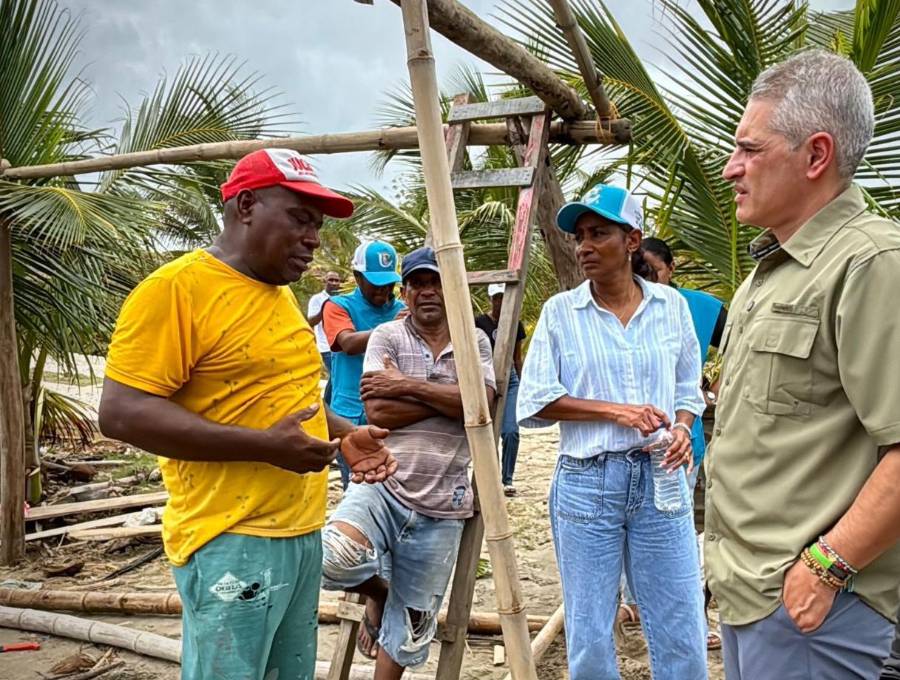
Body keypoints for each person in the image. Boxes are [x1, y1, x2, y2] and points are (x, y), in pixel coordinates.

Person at [97, 148, 397, 680]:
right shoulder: (177, 290)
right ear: (246, 206)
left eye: (317, 225)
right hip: (231, 538)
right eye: (300, 219)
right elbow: (121, 413)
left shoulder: (277, 296)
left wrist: (344, 433)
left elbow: (285, 398)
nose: (313, 238)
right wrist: (264, 447)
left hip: (301, 532)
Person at [707, 49, 900, 679]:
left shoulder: (871, 265)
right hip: (757, 595)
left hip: (817, 609)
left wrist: (825, 569)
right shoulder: (771, 272)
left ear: (816, 155)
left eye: (749, 149)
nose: (731, 168)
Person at [517, 182, 707, 680]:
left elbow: (688, 389)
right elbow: (534, 400)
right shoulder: (561, 313)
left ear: (631, 240)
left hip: (661, 479)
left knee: (682, 622)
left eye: (598, 233)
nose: (584, 246)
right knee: (590, 631)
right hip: (587, 481)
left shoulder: (670, 308)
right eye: (579, 235)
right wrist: (616, 412)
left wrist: (682, 427)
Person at [321, 246, 496, 679]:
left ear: (454, 290)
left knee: (410, 631)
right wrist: (452, 398)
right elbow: (379, 412)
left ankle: (392, 611)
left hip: (443, 501)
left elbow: (483, 405)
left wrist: (405, 384)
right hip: (384, 483)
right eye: (418, 283)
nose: (428, 291)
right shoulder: (388, 336)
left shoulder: (474, 340)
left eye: (437, 282)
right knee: (332, 556)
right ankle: (380, 593)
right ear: (406, 292)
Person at [618, 236, 727, 649]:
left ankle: (688, 618)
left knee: (676, 532)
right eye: (639, 271)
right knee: (627, 528)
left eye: (653, 271)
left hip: (680, 440)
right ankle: (635, 605)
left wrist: (714, 388)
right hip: (623, 442)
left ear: (671, 268)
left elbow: (741, 346)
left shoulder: (697, 307)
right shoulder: (617, 303)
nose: (647, 280)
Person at [323, 241, 405, 489]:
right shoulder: (338, 306)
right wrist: (393, 328)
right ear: (358, 277)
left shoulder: (402, 309)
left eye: (388, 283)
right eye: (375, 283)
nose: (383, 290)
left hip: (390, 414)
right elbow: (348, 343)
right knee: (358, 488)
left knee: (394, 487)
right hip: (349, 417)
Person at [475, 282, 527, 496]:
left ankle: (507, 479)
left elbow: (517, 357)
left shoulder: (515, 323)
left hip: (510, 378)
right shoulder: (479, 323)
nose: (500, 301)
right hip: (486, 378)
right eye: (496, 297)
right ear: (491, 299)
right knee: (487, 432)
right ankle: (490, 479)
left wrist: (522, 385)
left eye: (503, 297)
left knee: (511, 431)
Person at [307, 270, 343, 404]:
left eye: (336, 280)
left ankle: (328, 405)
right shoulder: (317, 299)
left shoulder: (343, 299)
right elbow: (311, 321)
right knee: (336, 375)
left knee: (337, 376)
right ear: (324, 282)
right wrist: (326, 307)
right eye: (331, 280)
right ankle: (326, 405)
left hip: (341, 345)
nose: (334, 283)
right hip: (326, 346)